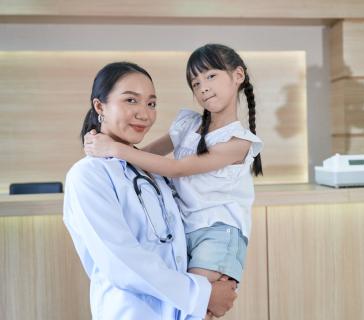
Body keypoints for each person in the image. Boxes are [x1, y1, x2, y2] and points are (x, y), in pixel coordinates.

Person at [63, 61, 237, 320]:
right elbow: (121, 262)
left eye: (151, 103)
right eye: (131, 100)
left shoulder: (151, 170)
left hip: (182, 311)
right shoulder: (88, 175)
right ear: (99, 106)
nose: (144, 114)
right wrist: (203, 294)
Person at [84, 44, 263, 286]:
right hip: (182, 230)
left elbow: (176, 168)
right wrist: (100, 145)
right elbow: (146, 156)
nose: (204, 87)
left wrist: (113, 148)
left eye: (211, 76)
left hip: (217, 233)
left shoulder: (238, 142)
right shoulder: (188, 125)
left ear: (238, 76)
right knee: (187, 303)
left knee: (201, 305)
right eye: (196, 83)